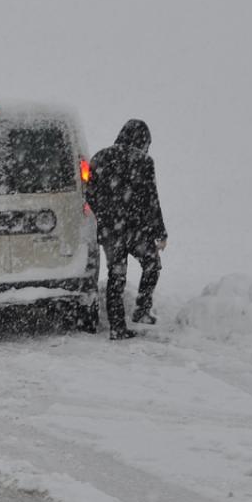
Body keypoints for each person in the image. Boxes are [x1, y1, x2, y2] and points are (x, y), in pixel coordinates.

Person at [85, 119, 168, 340]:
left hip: (110, 231)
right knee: (152, 264)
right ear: (143, 141)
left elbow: (89, 195)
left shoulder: (100, 158)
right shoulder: (144, 161)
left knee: (117, 275)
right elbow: (152, 201)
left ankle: (117, 327)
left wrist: (102, 220)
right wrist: (160, 233)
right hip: (135, 231)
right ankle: (141, 309)